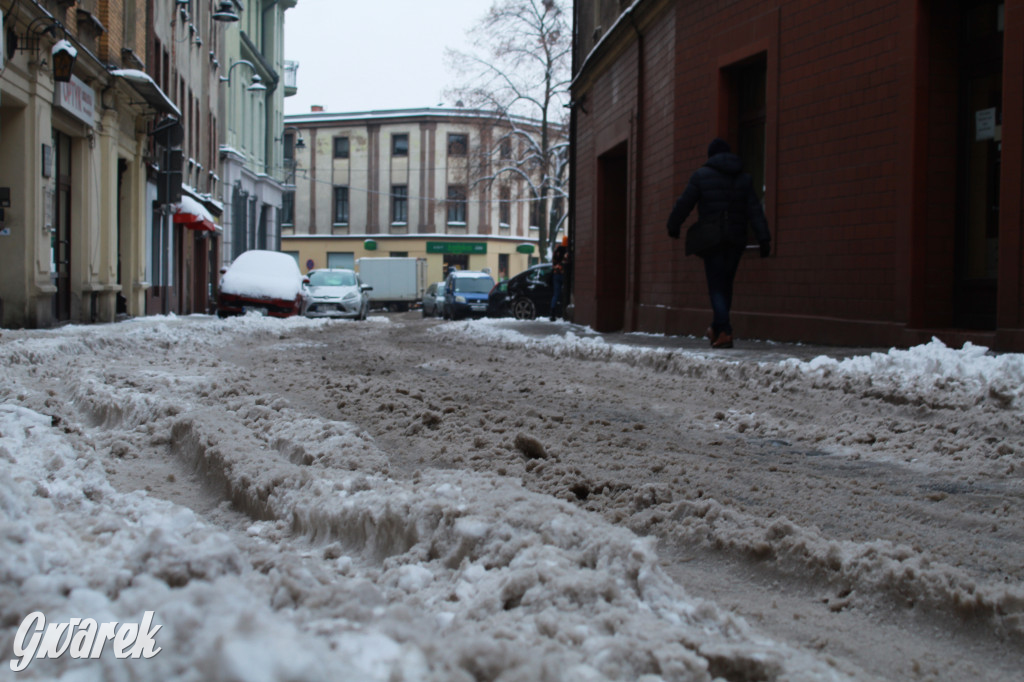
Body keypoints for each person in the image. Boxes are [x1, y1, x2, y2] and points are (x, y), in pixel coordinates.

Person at [666, 138, 770, 348]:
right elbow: (755, 210)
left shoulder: (702, 176)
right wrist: (763, 237)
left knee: (716, 286)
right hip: (736, 239)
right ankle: (716, 328)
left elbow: (685, 203)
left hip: (712, 239)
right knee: (725, 285)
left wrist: (673, 225)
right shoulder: (744, 179)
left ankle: (724, 331)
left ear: (711, 156)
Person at [550, 235, 569, 321]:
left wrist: (556, 267)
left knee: (556, 294)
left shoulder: (556, 251)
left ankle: (552, 313)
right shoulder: (567, 251)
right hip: (563, 275)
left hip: (556, 274)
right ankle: (563, 312)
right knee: (564, 293)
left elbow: (553, 262)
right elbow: (566, 262)